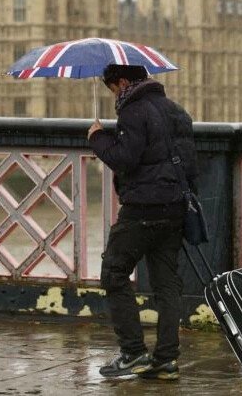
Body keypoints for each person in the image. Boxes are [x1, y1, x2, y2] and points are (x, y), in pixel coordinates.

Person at [87, 64, 198, 381]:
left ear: (122, 82)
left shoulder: (134, 111)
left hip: (142, 209)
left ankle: (133, 352)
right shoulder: (178, 112)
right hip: (175, 207)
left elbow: (124, 159)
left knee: (113, 272)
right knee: (166, 284)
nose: (113, 95)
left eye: (111, 88)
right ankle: (166, 359)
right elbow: (191, 166)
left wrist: (97, 138)